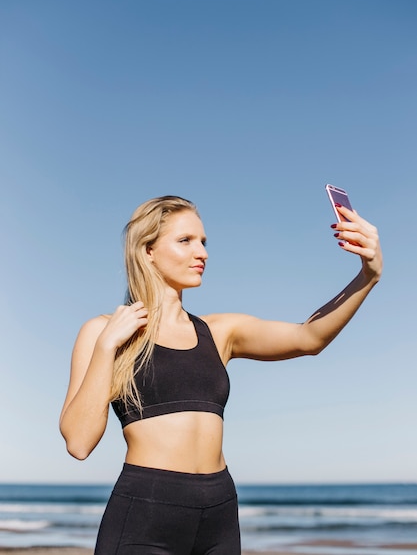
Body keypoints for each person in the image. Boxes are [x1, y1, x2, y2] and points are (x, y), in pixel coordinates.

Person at [60, 195, 382, 555]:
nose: (203, 253)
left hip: (219, 512)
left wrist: (367, 276)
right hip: (147, 511)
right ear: (147, 250)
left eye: (204, 242)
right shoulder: (103, 331)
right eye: (186, 241)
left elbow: (308, 337)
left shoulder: (219, 332)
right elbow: (79, 442)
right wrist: (107, 347)